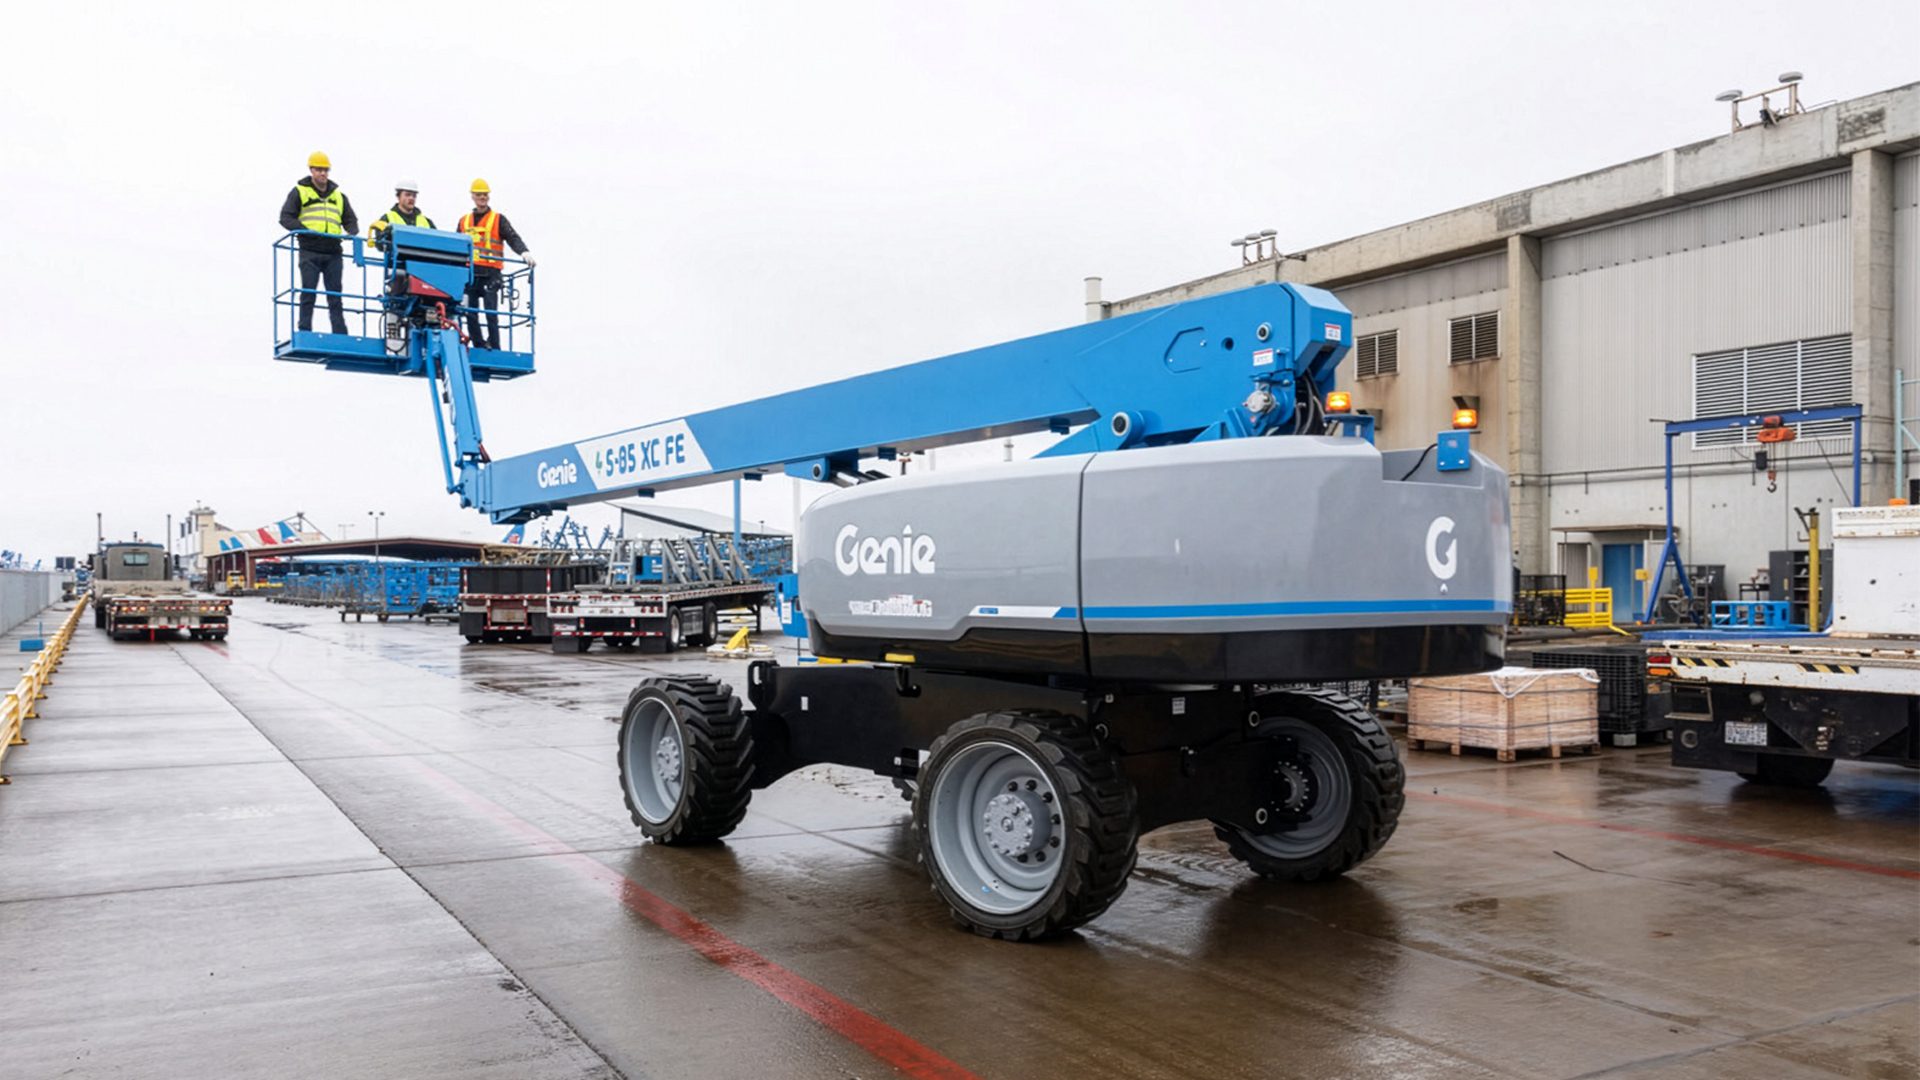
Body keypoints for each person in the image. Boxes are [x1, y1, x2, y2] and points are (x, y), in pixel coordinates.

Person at [277, 152, 360, 335]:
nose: (322, 173)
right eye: (319, 170)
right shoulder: (300, 191)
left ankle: (340, 332)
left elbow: (350, 219)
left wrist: (352, 232)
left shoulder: (339, 196)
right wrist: (304, 230)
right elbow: (285, 217)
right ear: (311, 170)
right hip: (309, 250)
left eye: (325, 170)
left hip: (333, 251)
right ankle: (305, 329)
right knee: (308, 291)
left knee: (335, 295)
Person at [456, 178, 535, 351]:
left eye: (485, 195)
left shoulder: (498, 219)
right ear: (473, 197)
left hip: (491, 273)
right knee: (470, 312)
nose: (482, 198)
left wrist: (524, 252)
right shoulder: (464, 221)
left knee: (491, 312)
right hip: (470, 274)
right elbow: (456, 247)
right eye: (479, 195)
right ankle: (478, 344)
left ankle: (495, 346)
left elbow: (512, 237)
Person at [367, 179, 434, 252]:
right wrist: (387, 234)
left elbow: (437, 242)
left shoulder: (427, 222)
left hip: (422, 261)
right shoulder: (387, 218)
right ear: (398, 196)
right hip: (398, 261)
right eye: (407, 195)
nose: (411, 198)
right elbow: (380, 246)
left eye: (414, 196)